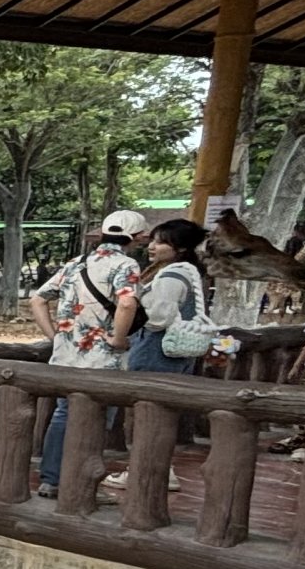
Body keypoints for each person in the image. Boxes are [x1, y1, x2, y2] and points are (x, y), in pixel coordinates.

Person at [30, 210, 146, 493]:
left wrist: (55, 337)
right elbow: (128, 303)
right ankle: (81, 481)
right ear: (137, 237)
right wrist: (119, 338)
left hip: (67, 356)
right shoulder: (126, 264)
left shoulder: (77, 263)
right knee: (98, 416)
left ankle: (51, 479)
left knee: (63, 414)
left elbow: (37, 298)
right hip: (102, 358)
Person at [111, 218, 212, 373]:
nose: (151, 247)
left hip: (155, 351)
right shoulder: (189, 272)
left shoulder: (171, 276)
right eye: (152, 241)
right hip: (175, 353)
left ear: (182, 247)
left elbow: (159, 318)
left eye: (160, 243)